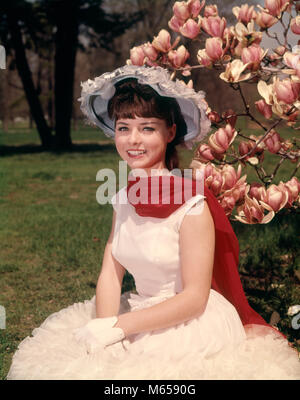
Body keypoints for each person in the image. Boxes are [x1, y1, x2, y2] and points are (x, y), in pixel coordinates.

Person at [7, 65, 300, 380]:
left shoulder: (192, 206)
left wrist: (119, 327)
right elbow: (110, 270)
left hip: (189, 326)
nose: (133, 140)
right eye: (123, 128)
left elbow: (193, 298)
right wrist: (105, 328)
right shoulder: (122, 198)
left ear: (170, 132)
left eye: (147, 128)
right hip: (135, 309)